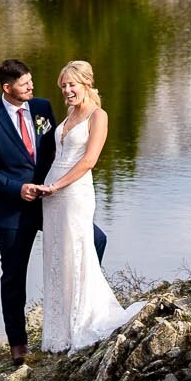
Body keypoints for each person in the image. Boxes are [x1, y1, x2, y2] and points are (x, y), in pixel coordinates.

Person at [0, 57, 105, 360]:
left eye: (31, 80)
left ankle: (80, 309)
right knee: (14, 275)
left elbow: (58, 147)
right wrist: (18, 188)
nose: (31, 86)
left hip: (51, 200)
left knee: (95, 240)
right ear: (7, 88)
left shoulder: (43, 108)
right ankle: (18, 345)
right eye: (24, 83)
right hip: (11, 211)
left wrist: (54, 186)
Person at [36, 59, 141, 351]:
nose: (67, 91)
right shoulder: (69, 113)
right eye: (64, 86)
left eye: (72, 85)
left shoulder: (98, 116)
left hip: (74, 193)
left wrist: (57, 185)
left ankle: (82, 322)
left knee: (77, 252)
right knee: (57, 256)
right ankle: (58, 332)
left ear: (86, 84)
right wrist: (46, 187)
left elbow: (89, 160)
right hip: (51, 196)